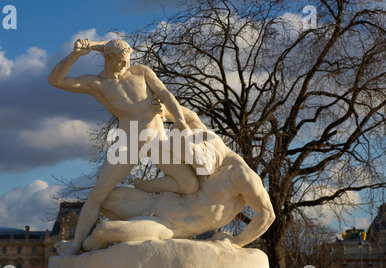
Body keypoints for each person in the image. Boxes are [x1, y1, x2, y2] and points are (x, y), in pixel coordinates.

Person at [48, 39, 199, 256]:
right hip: (127, 142)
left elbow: (165, 94)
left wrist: (180, 120)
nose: (125, 66)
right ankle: (76, 246)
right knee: (98, 194)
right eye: (121, 62)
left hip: (156, 139)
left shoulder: (141, 72)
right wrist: (76, 55)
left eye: (128, 60)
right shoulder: (97, 84)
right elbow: (54, 80)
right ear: (108, 59)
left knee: (190, 185)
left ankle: (144, 186)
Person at [67, 106, 276, 252]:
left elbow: (267, 214)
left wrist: (238, 242)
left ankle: (93, 244)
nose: (197, 170)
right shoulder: (204, 136)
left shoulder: (241, 175)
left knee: (105, 229)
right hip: (156, 202)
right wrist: (163, 110)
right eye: (191, 163)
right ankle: (89, 244)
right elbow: (189, 116)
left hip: (169, 226)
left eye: (198, 164)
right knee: (101, 198)